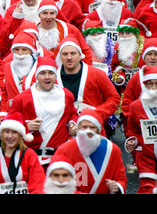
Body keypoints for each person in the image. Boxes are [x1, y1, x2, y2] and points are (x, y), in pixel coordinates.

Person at [9, 56, 79, 165]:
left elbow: (72, 113)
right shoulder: (22, 98)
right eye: (42, 73)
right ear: (37, 76)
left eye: (51, 73)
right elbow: (8, 126)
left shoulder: (66, 95)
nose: (47, 77)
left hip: (59, 158)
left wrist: (73, 123)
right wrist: (26, 127)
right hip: (32, 159)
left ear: (55, 75)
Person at [56, 35, 121, 135]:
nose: (69, 57)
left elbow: (114, 98)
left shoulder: (97, 74)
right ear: (60, 56)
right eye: (65, 54)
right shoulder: (53, 77)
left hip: (92, 129)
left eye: (73, 53)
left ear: (80, 55)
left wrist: (97, 113)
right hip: (63, 131)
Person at [54, 108, 127, 194]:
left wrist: (117, 187)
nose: (88, 131)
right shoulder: (65, 150)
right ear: (79, 128)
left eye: (92, 127)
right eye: (84, 127)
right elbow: (57, 182)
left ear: (98, 130)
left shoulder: (112, 150)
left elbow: (121, 177)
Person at [0, 111, 46, 194]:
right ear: (2, 134)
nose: (10, 136)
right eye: (7, 132)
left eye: (14, 132)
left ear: (21, 135)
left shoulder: (29, 155)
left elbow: (38, 185)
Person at [125, 65, 157, 193]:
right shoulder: (136, 106)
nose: (154, 88)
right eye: (150, 84)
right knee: (147, 188)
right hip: (145, 155)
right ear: (145, 85)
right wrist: (131, 141)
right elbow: (132, 130)